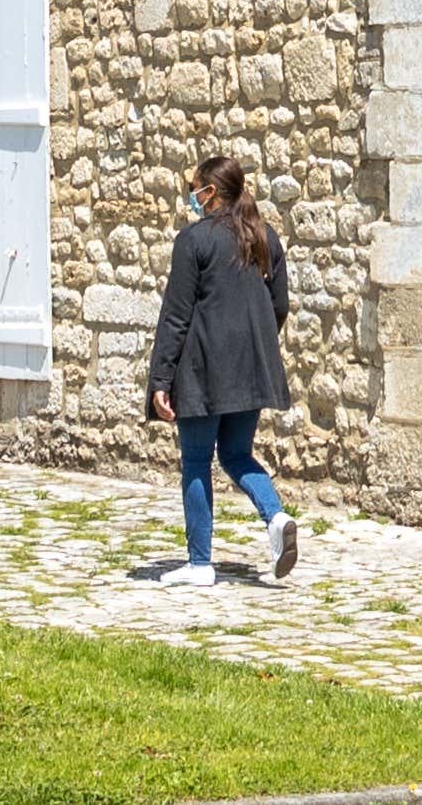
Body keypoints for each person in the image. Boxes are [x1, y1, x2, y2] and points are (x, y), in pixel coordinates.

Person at [142, 153, 298, 586]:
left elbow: (176, 315)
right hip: (251, 369)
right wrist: (255, 344)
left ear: (209, 192)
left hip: (203, 367)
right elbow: (278, 306)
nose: (191, 195)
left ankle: (199, 564)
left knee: (196, 459)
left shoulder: (194, 240)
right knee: (235, 453)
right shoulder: (264, 237)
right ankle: (276, 517)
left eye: (195, 187)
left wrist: (161, 380)